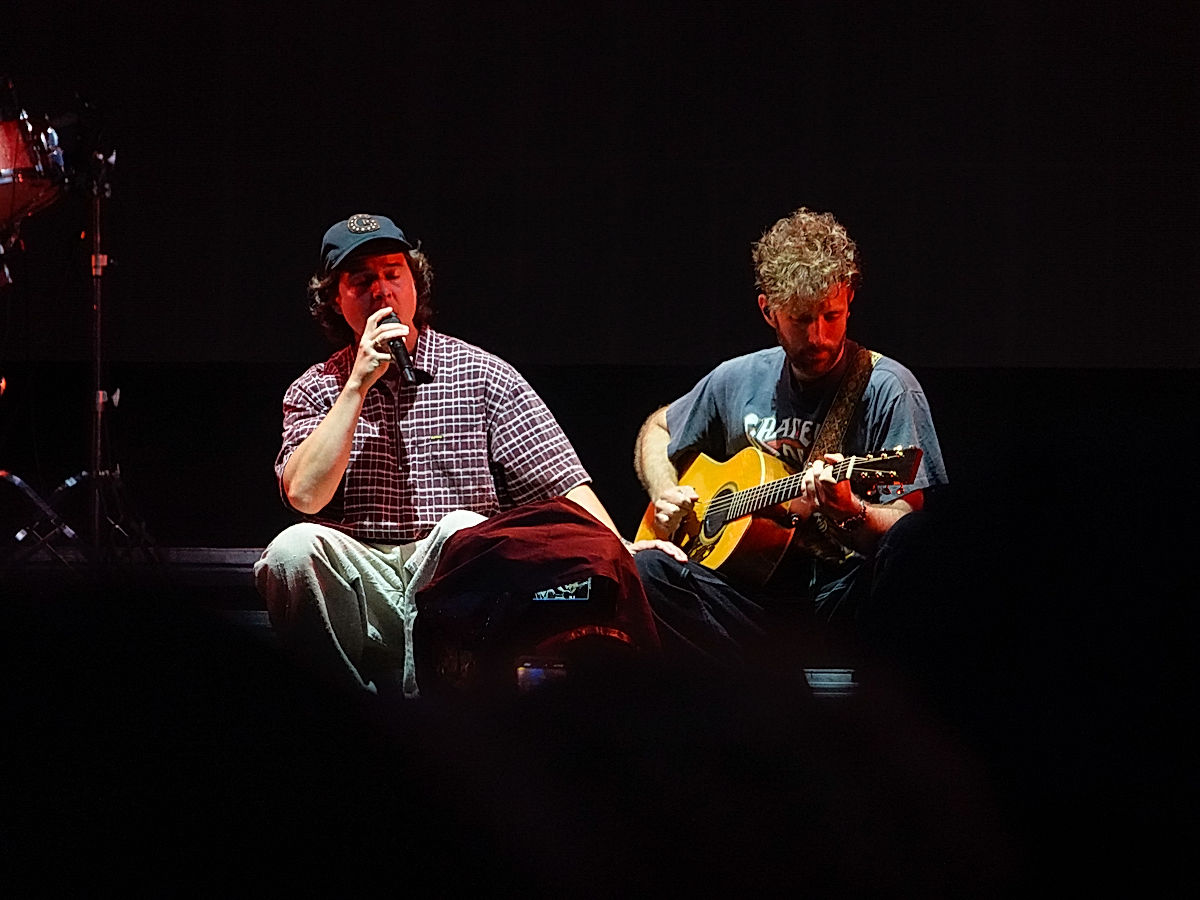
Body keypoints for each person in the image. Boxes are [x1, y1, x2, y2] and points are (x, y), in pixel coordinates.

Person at [254, 212, 679, 698]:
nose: (382, 291)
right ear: (336, 298)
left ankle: (428, 720)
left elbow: (558, 483)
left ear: (415, 283)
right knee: (291, 549)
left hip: (458, 579)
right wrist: (356, 386)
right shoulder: (316, 388)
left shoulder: (481, 373)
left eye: (393, 274)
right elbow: (305, 496)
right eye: (362, 280)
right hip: (363, 578)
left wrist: (622, 545)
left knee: (462, 527)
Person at [632, 206, 948, 682]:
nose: (818, 336)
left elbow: (904, 520)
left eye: (831, 316)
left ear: (850, 299)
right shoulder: (736, 378)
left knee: (915, 541)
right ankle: (760, 689)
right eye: (800, 319)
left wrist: (851, 511)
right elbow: (656, 430)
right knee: (646, 569)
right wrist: (664, 493)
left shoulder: (887, 388)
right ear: (768, 311)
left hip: (837, 597)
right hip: (746, 600)